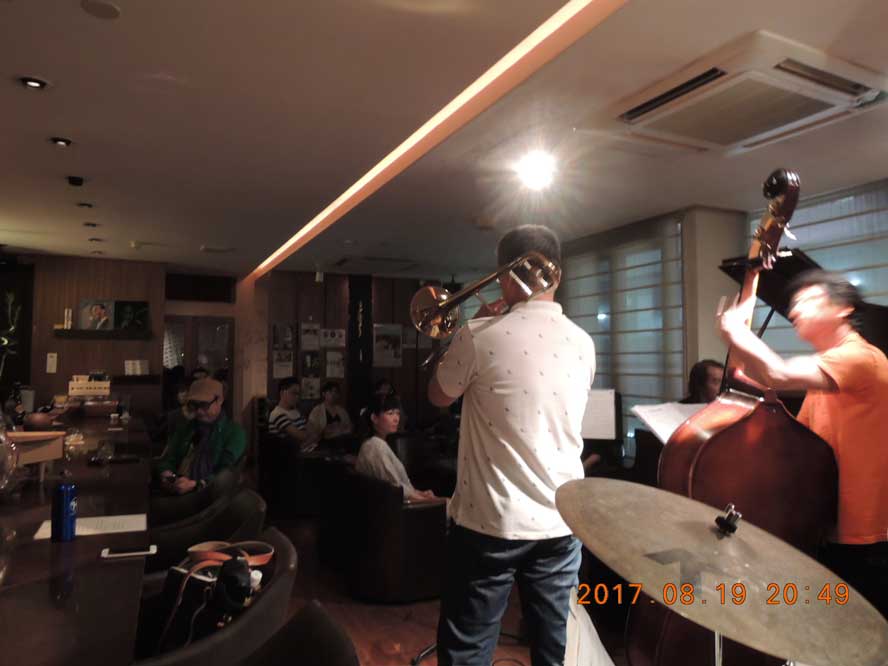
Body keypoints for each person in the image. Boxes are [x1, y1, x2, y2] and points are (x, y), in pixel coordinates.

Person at [428, 225, 596, 666]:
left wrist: (472, 328)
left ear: (503, 275)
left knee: (467, 649)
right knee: (554, 648)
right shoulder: (584, 342)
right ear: (558, 275)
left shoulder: (479, 335)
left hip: (490, 521)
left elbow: (438, 395)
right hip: (561, 520)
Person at [717, 268, 888, 617]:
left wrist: (735, 330)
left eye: (808, 300)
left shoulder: (861, 357)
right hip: (827, 522)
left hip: (863, 535)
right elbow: (752, 378)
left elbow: (777, 374)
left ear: (843, 309)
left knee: (858, 632)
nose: (794, 310)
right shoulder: (827, 376)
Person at [156, 378, 246, 494]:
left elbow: (226, 473)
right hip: (177, 489)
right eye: (193, 405)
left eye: (204, 405)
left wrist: (195, 485)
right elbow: (169, 458)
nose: (198, 411)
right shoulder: (186, 428)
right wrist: (167, 474)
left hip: (211, 495)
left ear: (220, 400)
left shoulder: (234, 433)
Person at [355, 393, 437, 502]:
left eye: (397, 413)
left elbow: (399, 487)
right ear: (374, 418)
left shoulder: (376, 443)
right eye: (390, 413)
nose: (396, 418)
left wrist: (420, 493)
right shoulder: (375, 446)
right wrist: (428, 500)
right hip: (392, 508)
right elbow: (394, 489)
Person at [268, 376, 318, 452]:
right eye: (294, 393)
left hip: (308, 450)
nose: (297, 397)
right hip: (291, 456)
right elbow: (301, 436)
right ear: (282, 393)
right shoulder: (277, 414)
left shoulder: (296, 411)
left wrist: (311, 437)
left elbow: (314, 431)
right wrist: (311, 437)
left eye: (298, 394)